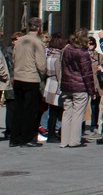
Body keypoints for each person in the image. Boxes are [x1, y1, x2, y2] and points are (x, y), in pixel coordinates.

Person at [11, 18, 46, 147]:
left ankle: (15, 138)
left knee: (18, 109)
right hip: (31, 78)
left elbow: (14, 57)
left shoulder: (20, 41)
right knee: (30, 110)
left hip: (18, 77)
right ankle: (26, 138)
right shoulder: (37, 42)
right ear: (39, 28)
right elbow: (41, 65)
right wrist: (43, 73)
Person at [59, 29, 95, 148]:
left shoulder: (66, 49)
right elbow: (87, 74)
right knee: (78, 114)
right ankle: (74, 140)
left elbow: (63, 68)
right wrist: (92, 91)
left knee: (67, 113)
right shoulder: (83, 53)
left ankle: (64, 140)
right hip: (80, 87)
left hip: (67, 85)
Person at [42, 33, 66, 142]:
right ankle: (52, 134)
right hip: (56, 84)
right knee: (55, 112)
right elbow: (59, 73)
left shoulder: (49, 55)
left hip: (49, 82)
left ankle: (51, 132)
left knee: (52, 111)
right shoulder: (58, 56)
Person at [2, 32, 21, 141]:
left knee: (17, 106)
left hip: (19, 80)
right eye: (16, 40)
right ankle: (9, 130)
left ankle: (15, 129)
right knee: (11, 106)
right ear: (13, 41)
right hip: (10, 80)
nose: (17, 42)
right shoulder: (7, 51)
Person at [86, 36, 103, 134]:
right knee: (84, 106)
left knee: (95, 106)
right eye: (88, 43)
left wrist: (101, 68)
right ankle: (81, 125)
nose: (89, 46)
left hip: (96, 84)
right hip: (85, 83)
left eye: (91, 43)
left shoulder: (98, 56)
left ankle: (94, 125)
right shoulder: (83, 55)